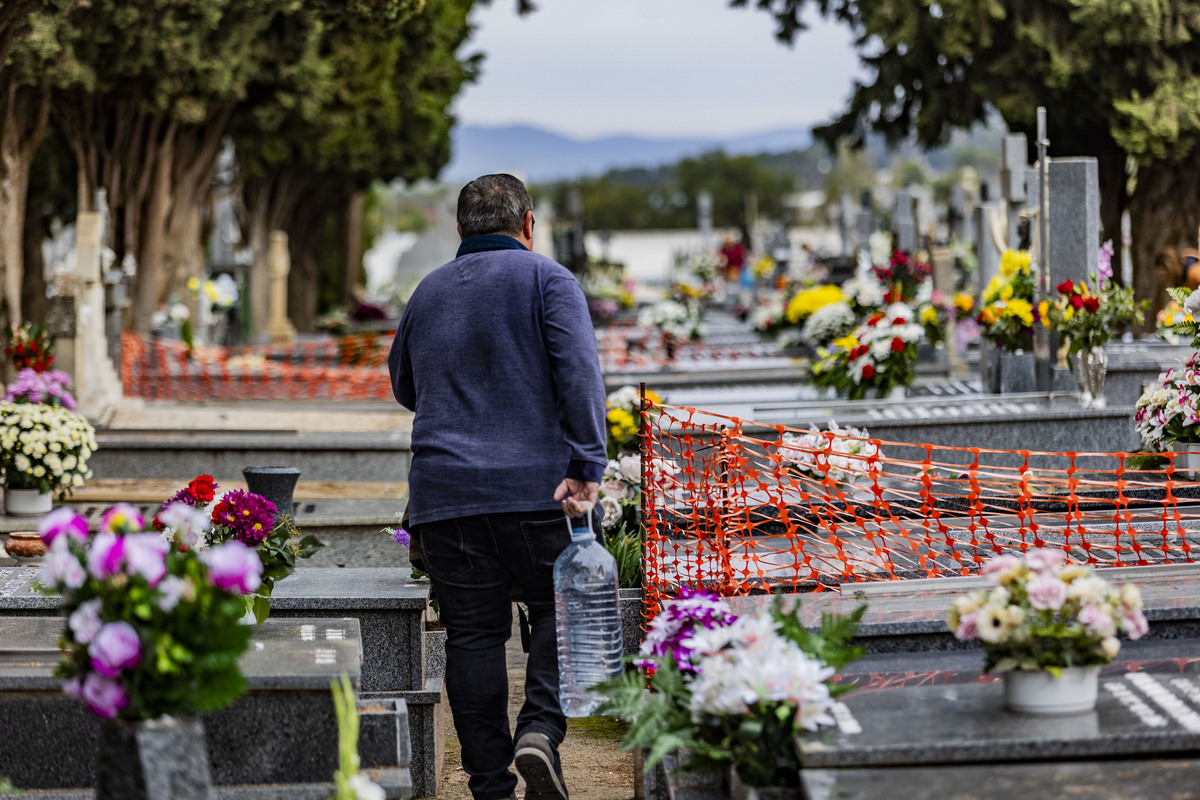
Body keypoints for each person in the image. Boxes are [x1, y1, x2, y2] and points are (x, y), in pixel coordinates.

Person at [388, 174, 606, 800]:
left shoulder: (426, 292)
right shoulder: (550, 282)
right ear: (529, 225)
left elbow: (405, 386)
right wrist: (587, 467)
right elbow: (580, 378)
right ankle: (539, 731)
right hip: (540, 490)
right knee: (557, 613)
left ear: (460, 231)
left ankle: (489, 783)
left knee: (474, 636)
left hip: (446, 495)